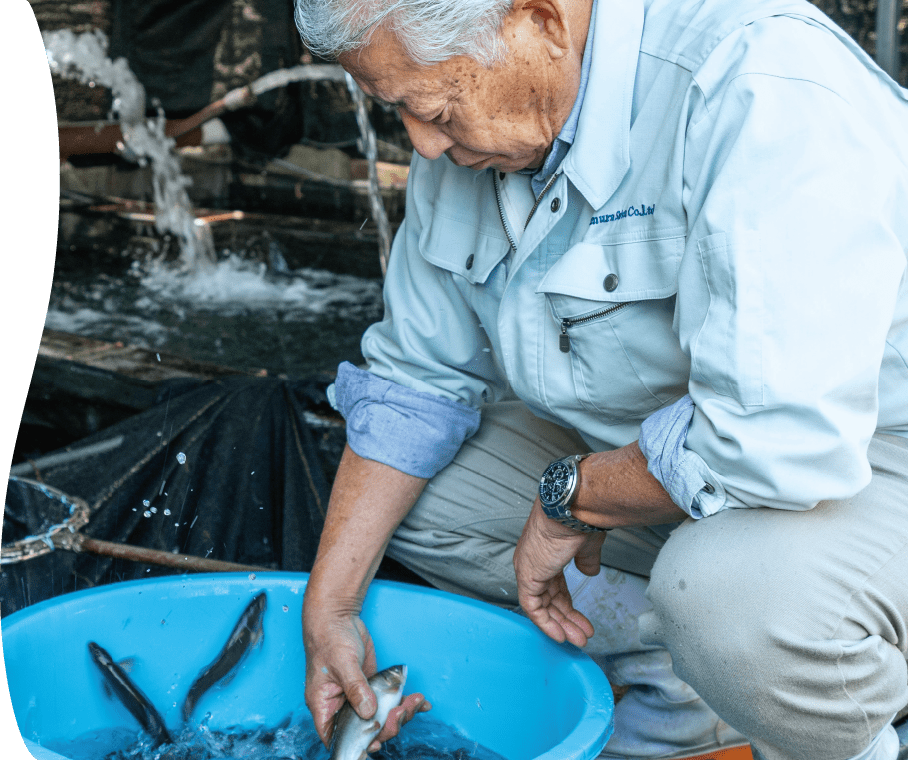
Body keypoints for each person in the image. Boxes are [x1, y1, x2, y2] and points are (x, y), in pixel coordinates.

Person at [293, 0, 908, 758]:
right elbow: (415, 381)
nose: (422, 146)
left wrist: (574, 495)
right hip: (668, 457)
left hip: (866, 456)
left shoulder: (760, 81)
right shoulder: (481, 128)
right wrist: (331, 604)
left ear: (538, 23)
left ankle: (834, 727)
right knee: (414, 498)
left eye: (438, 108)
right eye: (400, 112)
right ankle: (685, 686)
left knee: (732, 602)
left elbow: (775, 436)